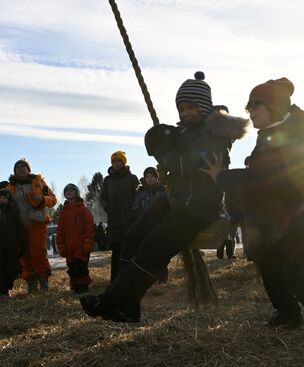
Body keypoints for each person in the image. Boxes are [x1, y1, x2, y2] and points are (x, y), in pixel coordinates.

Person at [200, 78, 304, 360]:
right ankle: (289, 313)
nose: (250, 111)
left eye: (255, 105)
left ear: (274, 107)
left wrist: (222, 177)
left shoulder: (295, 135)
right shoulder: (271, 133)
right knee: (268, 259)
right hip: (291, 212)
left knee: (297, 273)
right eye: (248, 105)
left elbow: (265, 179)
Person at [80, 71, 248, 322]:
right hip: (178, 200)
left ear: (203, 106)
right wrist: (164, 140)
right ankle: (125, 301)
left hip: (198, 208)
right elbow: (176, 160)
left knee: (153, 247)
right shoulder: (185, 132)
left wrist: (165, 154)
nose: (185, 113)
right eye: (181, 108)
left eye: (190, 107)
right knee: (134, 236)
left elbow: (195, 166)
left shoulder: (215, 135)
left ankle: (114, 302)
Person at [7, 159, 57, 292]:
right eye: (17, 167)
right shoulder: (10, 186)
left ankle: (44, 282)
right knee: (25, 256)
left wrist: (42, 199)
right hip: (20, 227)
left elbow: (53, 200)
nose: (20, 168)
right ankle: (31, 285)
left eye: (23, 166)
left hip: (37, 224)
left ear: (28, 169)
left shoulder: (38, 182)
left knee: (38, 253)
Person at [99, 150, 139, 282]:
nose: (116, 163)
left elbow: (137, 197)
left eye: (119, 161)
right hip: (114, 221)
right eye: (114, 161)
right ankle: (115, 280)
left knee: (130, 249)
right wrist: (108, 208)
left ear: (124, 162)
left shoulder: (132, 178)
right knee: (116, 251)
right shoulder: (107, 180)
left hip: (130, 220)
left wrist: (133, 210)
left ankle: (130, 279)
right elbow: (103, 198)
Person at [56, 183, 95, 294]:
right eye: (66, 190)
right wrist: (60, 244)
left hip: (81, 245)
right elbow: (60, 229)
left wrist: (88, 241)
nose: (68, 192)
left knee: (80, 267)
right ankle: (76, 287)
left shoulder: (83, 209)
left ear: (76, 193)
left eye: (71, 190)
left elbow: (89, 227)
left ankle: (84, 287)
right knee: (72, 267)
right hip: (69, 246)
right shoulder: (64, 211)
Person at [0, 187, 26, 301]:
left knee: (11, 268)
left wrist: (22, 244)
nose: (2, 199)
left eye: (4, 197)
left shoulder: (14, 211)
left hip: (12, 244)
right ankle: (3, 293)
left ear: (9, 198)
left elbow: (20, 228)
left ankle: (8, 289)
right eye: (0, 197)